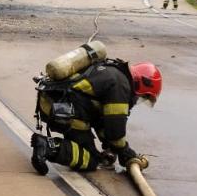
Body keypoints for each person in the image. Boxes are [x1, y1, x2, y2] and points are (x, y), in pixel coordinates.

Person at [30, 59, 161, 174]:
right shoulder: (121, 87)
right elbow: (115, 129)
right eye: (144, 96)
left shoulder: (114, 73)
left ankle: (50, 146)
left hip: (54, 103)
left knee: (89, 153)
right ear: (140, 83)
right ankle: (48, 147)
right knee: (90, 160)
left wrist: (110, 146)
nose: (138, 99)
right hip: (65, 111)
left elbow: (101, 120)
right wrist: (124, 151)